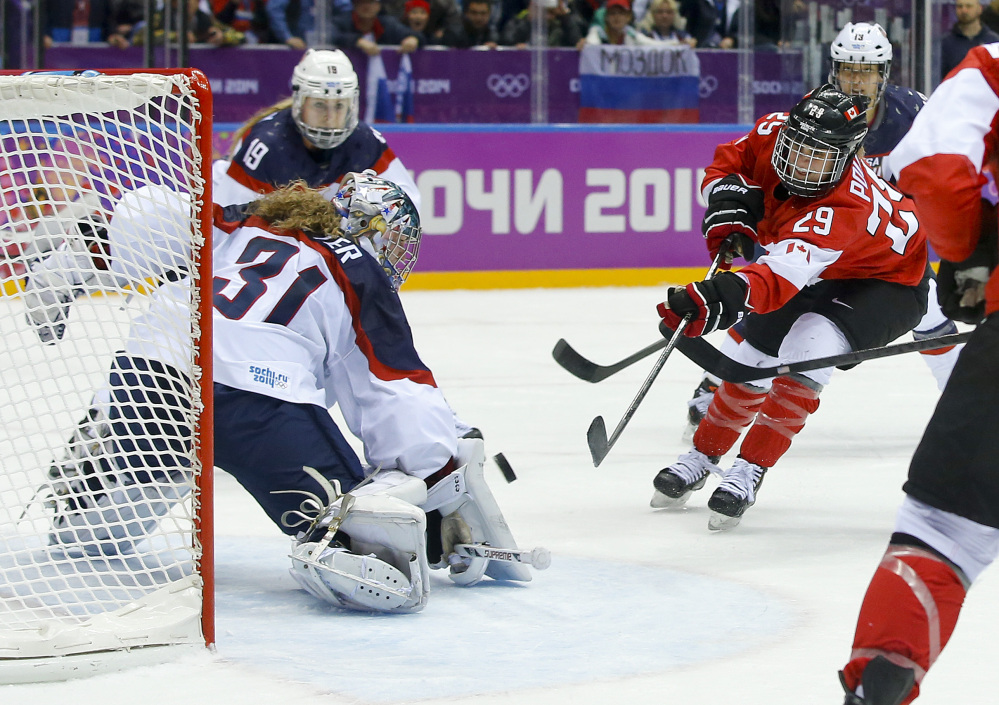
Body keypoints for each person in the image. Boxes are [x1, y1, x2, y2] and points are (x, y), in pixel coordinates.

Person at [29, 175, 533, 614]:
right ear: (373, 231)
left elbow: (152, 219)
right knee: (362, 548)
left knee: (88, 540)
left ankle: (93, 472)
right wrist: (437, 486)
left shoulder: (253, 219)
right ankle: (355, 539)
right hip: (257, 403)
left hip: (152, 374)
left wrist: (69, 265)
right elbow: (396, 393)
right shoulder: (361, 273)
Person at [651, 85, 930, 531]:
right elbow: (730, 161)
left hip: (886, 282)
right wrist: (727, 205)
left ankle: (751, 468)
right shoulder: (772, 129)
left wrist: (715, 300)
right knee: (749, 357)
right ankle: (701, 455)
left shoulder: (843, 204)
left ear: (845, 156)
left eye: (817, 156)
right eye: (796, 146)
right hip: (821, 267)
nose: (800, 161)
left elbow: (777, 278)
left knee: (808, 346)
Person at [680, 22, 963, 443]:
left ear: (884, 73)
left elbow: (952, 168)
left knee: (932, 309)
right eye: (848, 69)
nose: (857, 79)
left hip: (875, 246)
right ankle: (717, 380)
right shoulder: (818, 114)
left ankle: (960, 403)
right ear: (834, 70)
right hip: (817, 238)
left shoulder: (915, 116)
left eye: (866, 71)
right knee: (772, 300)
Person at [836, 43, 999, 705]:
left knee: (941, 529)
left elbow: (932, 167)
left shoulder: (992, 63)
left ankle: (878, 685)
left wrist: (971, 253)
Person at [214, 49, 420, 212]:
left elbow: (407, 206)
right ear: (300, 103)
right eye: (320, 105)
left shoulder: (364, 141)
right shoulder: (267, 144)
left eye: (339, 105)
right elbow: (228, 225)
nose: (330, 117)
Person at [331, 0, 420, 55]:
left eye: (371, 2)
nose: (366, 6)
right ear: (354, 4)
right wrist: (358, 41)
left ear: (379, 5)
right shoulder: (342, 21)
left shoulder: (388, 23)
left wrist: (413, 38)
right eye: (362, 2)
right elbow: (332, 36)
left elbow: (414, 34)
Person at [941, 0, 999, 79]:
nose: (964, 10)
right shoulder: (946, 43)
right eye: (960, 6)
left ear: (980, 9)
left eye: (969, 6)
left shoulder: (993, 41)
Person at [500, 0, 586, 48]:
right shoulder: (518, 21)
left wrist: (563, 16)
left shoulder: (561, 23)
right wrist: (530, 20)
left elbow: (575, 41)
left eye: (549, 11)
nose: (547, 16)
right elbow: (508, 41)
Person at [584, 0, 659, 45]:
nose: (617, 17)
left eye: (621, 13)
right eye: (612, 13)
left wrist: (671, 44)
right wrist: (586, 44)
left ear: (628, 17)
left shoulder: (631, 34)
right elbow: (591, 43)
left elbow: (653, 44)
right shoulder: (597, 32)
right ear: (606, 17)